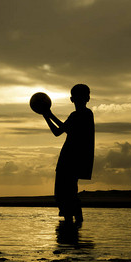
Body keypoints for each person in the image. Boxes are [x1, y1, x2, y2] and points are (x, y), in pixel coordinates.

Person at [43, 84, 94, 224]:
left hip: (71, 160)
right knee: (65, 194)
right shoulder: (78, 115)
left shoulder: (84, 114)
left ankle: (75, 225)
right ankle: (72, 228)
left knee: (67, 195)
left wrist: (48, 114)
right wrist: (46, 115)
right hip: (69, 159)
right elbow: (58, 131)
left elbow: (63, 130)